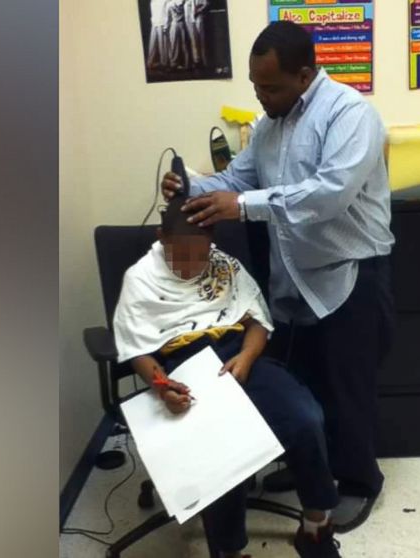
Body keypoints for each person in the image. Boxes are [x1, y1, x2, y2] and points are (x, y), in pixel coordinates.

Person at [161, 20, 395, 533]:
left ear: (307, 74)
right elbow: (237, 178)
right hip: (296, 275)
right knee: (305, 380)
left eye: (270, 86)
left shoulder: (350, 115)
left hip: (349, 272)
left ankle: (357, 482)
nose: (261, 96)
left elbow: (329, 193)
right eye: (255, 85)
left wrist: (240, 206)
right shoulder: (269, 126)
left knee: (345, 385)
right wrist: (193, 183)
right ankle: (311, 469)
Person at [112, 197, 343, 558]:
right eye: (179, 255)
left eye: (199, 256)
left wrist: (248, 358)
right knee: (222, 448)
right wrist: (161, 386)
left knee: (305, 418)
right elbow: (136, 347)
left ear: (212, 242)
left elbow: (257, 321)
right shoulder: (140, 279)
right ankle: (228, 551)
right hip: (182, 364)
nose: (190, 267)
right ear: (161, 236)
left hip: (238, 354)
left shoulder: (225, 266)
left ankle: (315, 526)